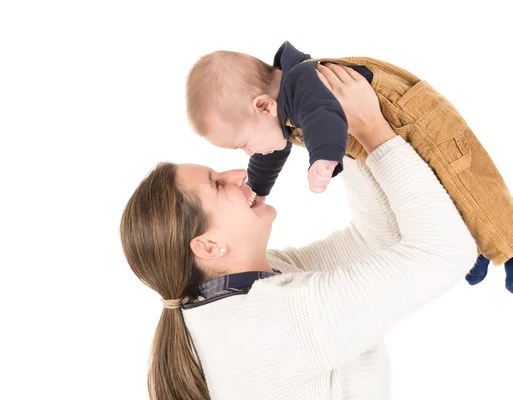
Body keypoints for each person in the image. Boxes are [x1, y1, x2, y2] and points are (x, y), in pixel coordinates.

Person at [120, 64, 477, 400]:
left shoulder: (252, 284)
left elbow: (375, 242)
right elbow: (447, 252)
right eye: (217, 184)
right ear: (209, 245)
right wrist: (373, 131)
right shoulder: (276, 321)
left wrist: (335, 130)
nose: (239, 174)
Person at [185, 41, 513, 294]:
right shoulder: (281, 109)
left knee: (463, 177)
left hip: (412, 117)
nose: (248, 153)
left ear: (263, 107)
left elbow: (324, 118)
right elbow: (270, 153)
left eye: (244, 144)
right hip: (382, 131)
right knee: (432, 192)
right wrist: (257, 188)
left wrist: (323, 158)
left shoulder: (303, 83)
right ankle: (478, 248)